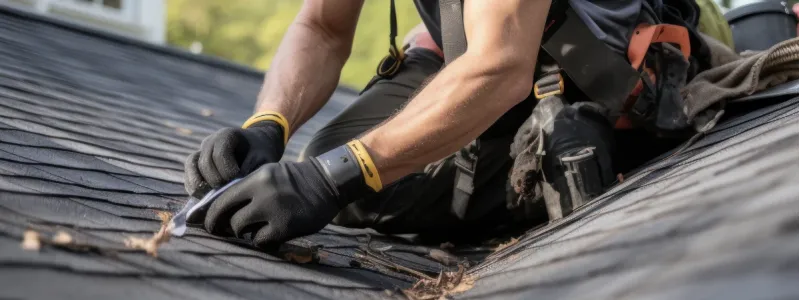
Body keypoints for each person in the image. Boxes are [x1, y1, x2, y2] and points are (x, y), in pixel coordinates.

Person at [184, 0, 712, 248]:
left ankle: (575, 147)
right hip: (481, 51)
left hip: (591, 77)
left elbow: (501, 65)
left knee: (344, 177)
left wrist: (332, 178)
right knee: (338, 164)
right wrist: (268, 125)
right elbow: (321, 28)